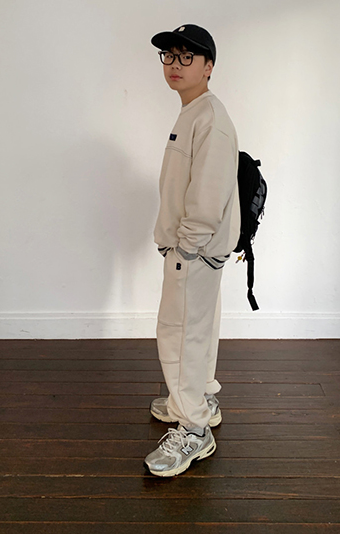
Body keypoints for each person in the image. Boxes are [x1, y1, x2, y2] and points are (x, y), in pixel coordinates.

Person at [144, 24, 240, 477]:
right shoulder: (196, 111)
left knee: (178, 333)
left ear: (209, 67)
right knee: (196, 329)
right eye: (170, 56)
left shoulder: (210, 118)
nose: (175, 65)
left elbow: (208, 194)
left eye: (187, 57)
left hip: (194, 251)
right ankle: (199, 397)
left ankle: (193, 428)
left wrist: (185, 246)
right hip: (197, 250)